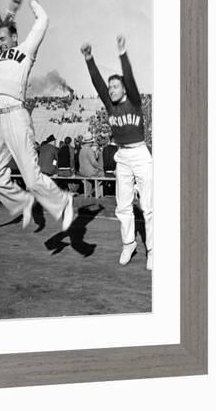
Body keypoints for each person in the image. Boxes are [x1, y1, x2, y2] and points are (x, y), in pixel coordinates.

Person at [0, 0, 73, 230]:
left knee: (32, 179)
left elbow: (42, 21)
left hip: (15, 116)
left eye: (3, 39)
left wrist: (33, 3)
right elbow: (4, 29)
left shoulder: (26, 50)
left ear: (15, 37)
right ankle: (22, 202)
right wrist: (10, 11)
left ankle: (63, 200)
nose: (0, 44)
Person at [81, 35, 153, 270]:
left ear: (123, 89)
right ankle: (128, 244)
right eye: (109, 87)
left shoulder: (133, 101)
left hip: (141, 154)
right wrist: (89, 58)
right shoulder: (109, 104)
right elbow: (97, 82)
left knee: (149, 206)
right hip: (123, 156)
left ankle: (152, 249)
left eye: (114, 86)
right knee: (123, 206)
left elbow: (129, 78)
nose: (110, 89)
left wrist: (122, 54)